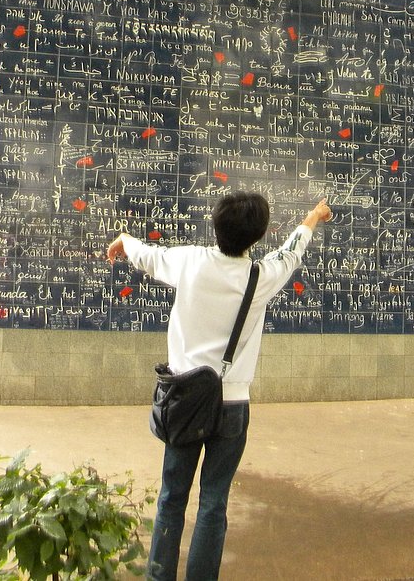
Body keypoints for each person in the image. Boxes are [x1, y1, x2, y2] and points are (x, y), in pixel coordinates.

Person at [106, 193, 333, 581]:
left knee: (171, 497)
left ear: (215, 225)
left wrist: (125, 240)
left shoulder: (189, 261)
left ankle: (158, 576)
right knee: (213, 502)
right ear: (257, 236)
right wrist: (313, 216)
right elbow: (293, 249)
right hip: (232, 405)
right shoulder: (261, 276)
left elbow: (145, 254)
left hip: (184, 401)